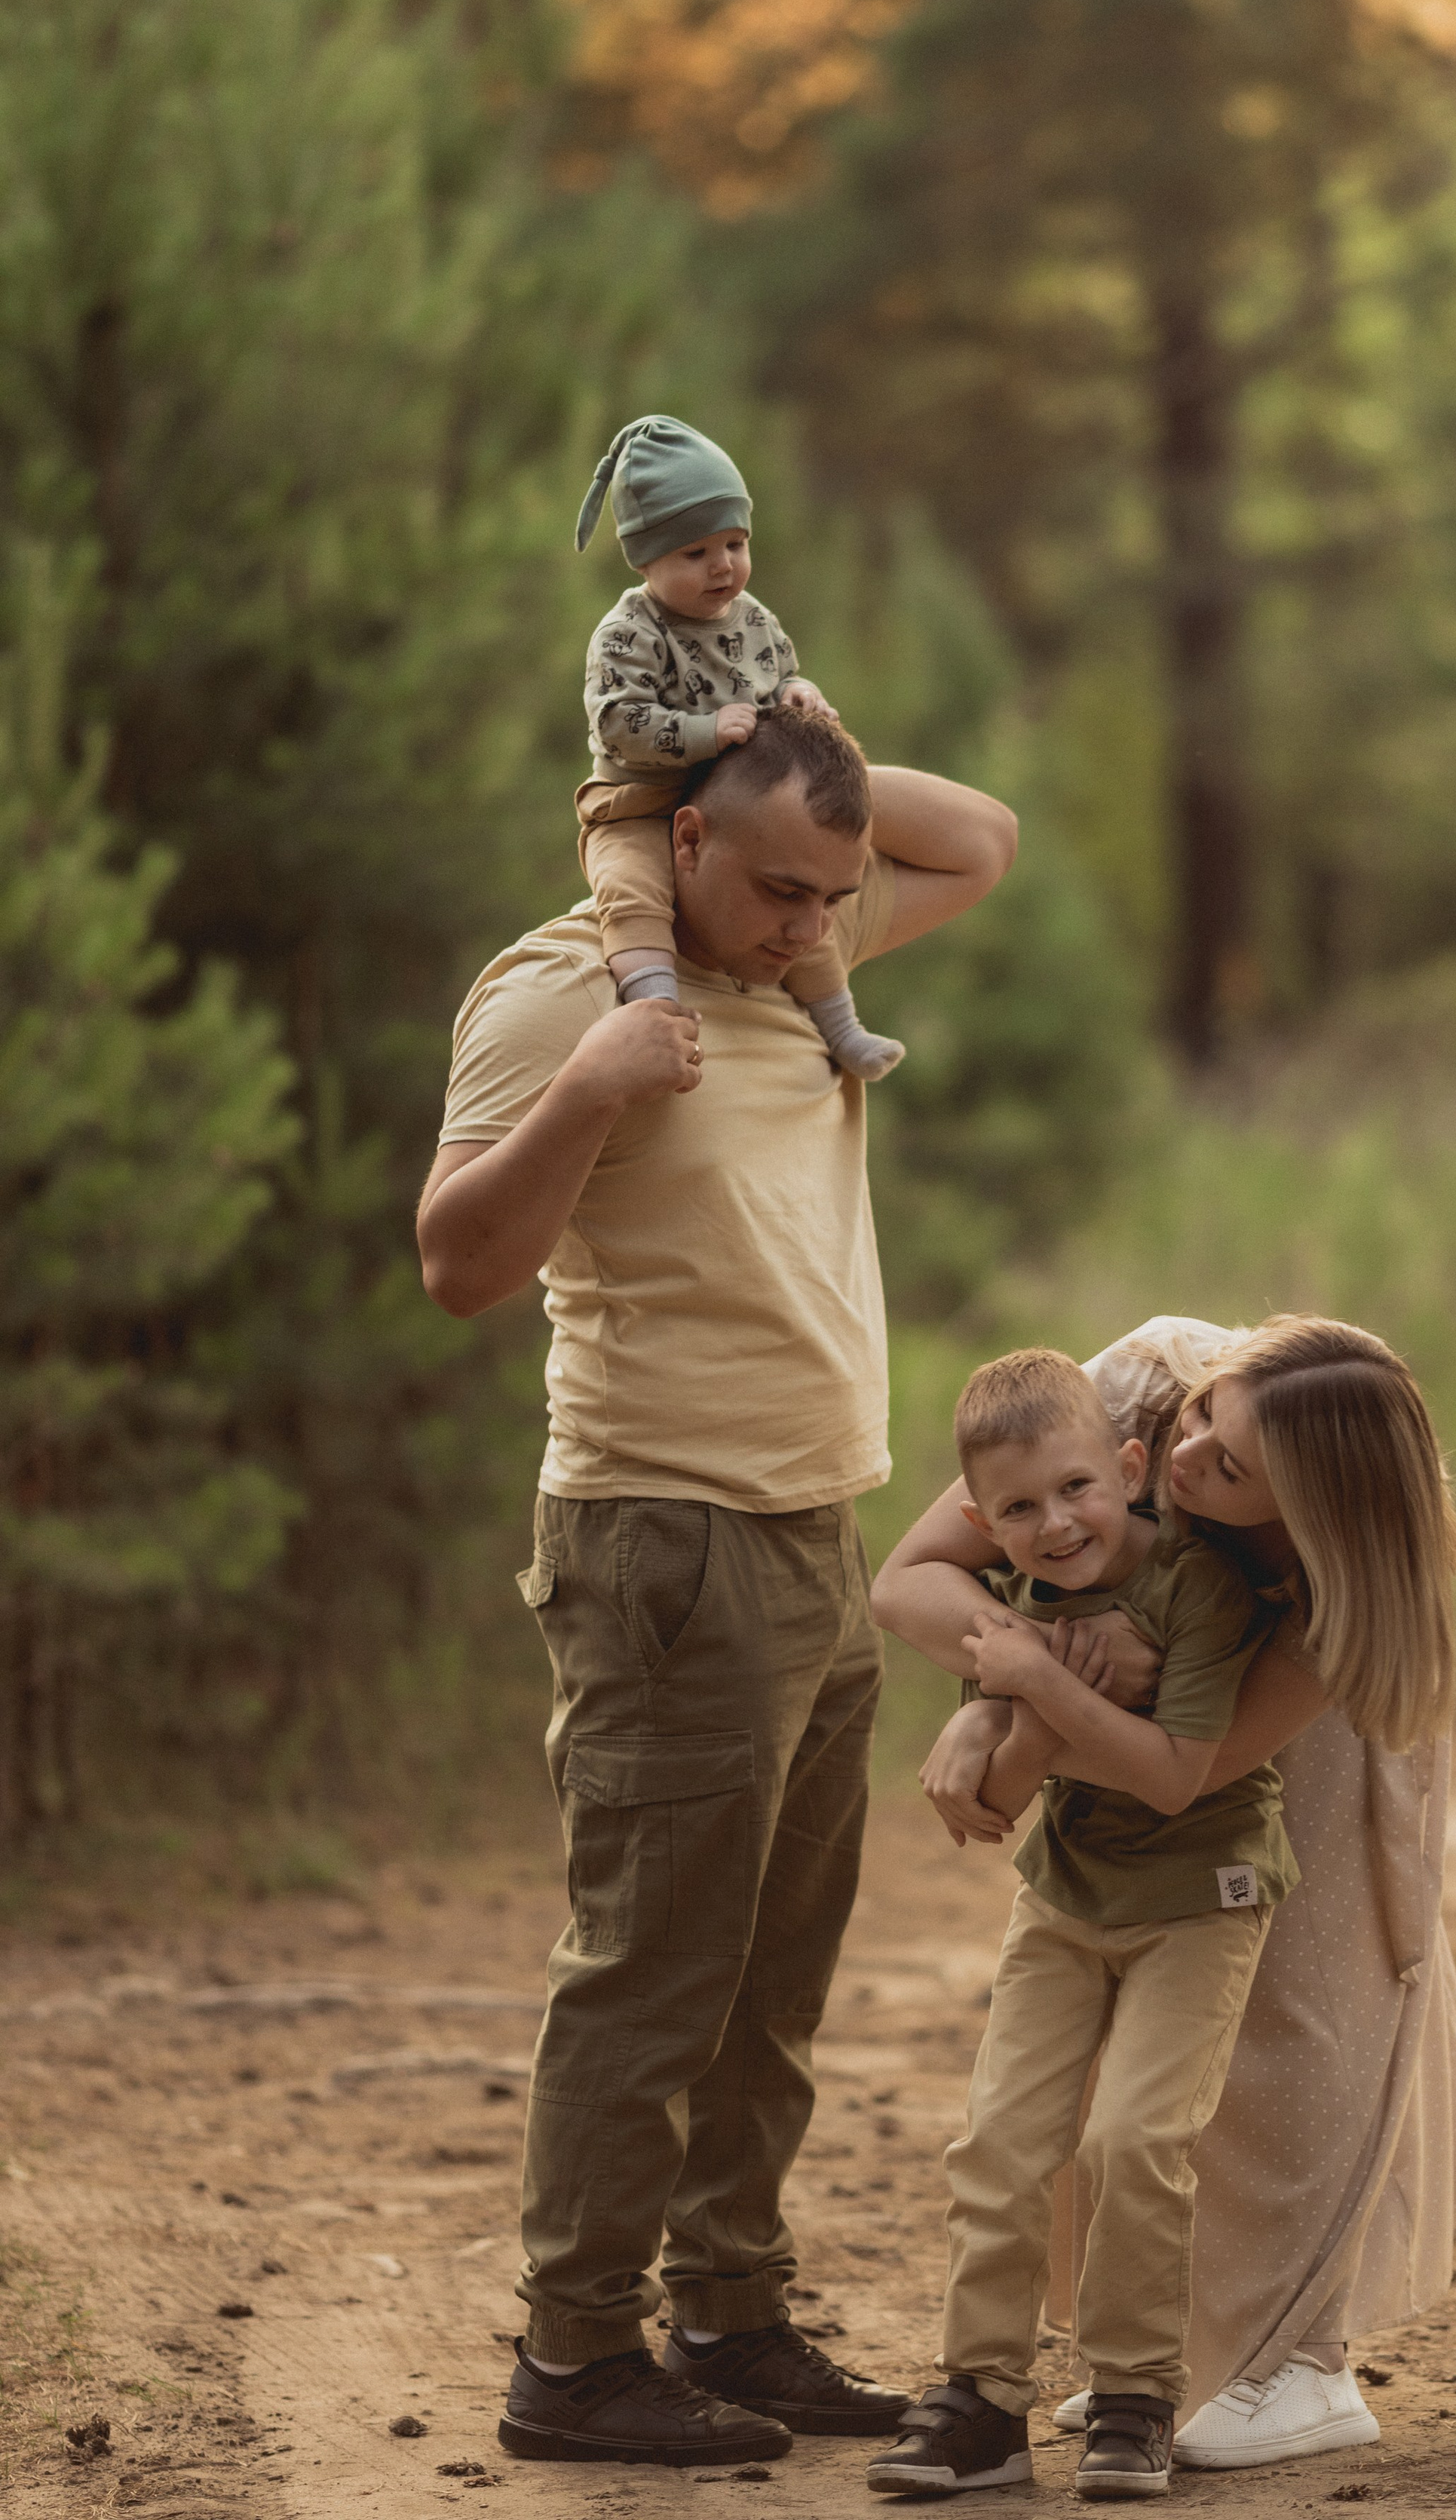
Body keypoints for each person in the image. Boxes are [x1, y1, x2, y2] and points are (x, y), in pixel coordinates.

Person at [416, 708, 1017, 2471]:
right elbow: (455, 1260)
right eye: (774, 887)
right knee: (653, 1967)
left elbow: (976, 833)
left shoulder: (801, 935)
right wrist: (590, 1091)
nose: (810, 924)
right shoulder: (553, 997)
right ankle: (576, 2353)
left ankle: (729, 2311)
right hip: (660, 1539)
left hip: (813, 1528)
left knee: (770, 1968)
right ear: (674, 838)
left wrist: (775, 718)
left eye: (832, 891)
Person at [874, 1313, 1456, 2475]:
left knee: (1312, 2008)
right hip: (1110, 1760)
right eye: (1208, 1412)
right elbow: (914, 1578)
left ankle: (1301, 2355)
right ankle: (1120, 2365)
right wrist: (1009, 1679)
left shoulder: (1337, 1603)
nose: (1185, 1452)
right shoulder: (1146, 1386)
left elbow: (1185, 1774)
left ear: (1306, 1511)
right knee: (1078, 2105)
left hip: (1292, 1742)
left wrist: (1032, 1699)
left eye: (1229, 1466)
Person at [867, 1349, 1295, 2503]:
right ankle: (980, 2404)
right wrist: (994, 1711)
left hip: (1203, 1899)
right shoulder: (1018, 1608)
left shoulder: (1198, 1589)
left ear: (1129, 1466)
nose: (1055, 1527)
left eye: (1076, 1490)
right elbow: (997, 1809)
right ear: (980, 1522)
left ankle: (1134, 2398)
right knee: (999, 2144)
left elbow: (1172, 1779)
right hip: (1064, 1900)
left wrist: (1034, 1691)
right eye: (1018, 1510)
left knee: (1135, 2140)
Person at [572, 411, 903, 1079]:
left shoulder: (753, 618)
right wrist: (702, 732)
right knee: (632, 892)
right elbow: (617, 721)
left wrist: (799, 694)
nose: (723, 566)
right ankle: (656, 1010)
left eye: (735, 543)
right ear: (646, 559)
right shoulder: (627, 631)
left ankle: (842, 1028)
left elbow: (778, 676)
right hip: (640, 802)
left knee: (798, 919)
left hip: (736, 807)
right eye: (695, 554)